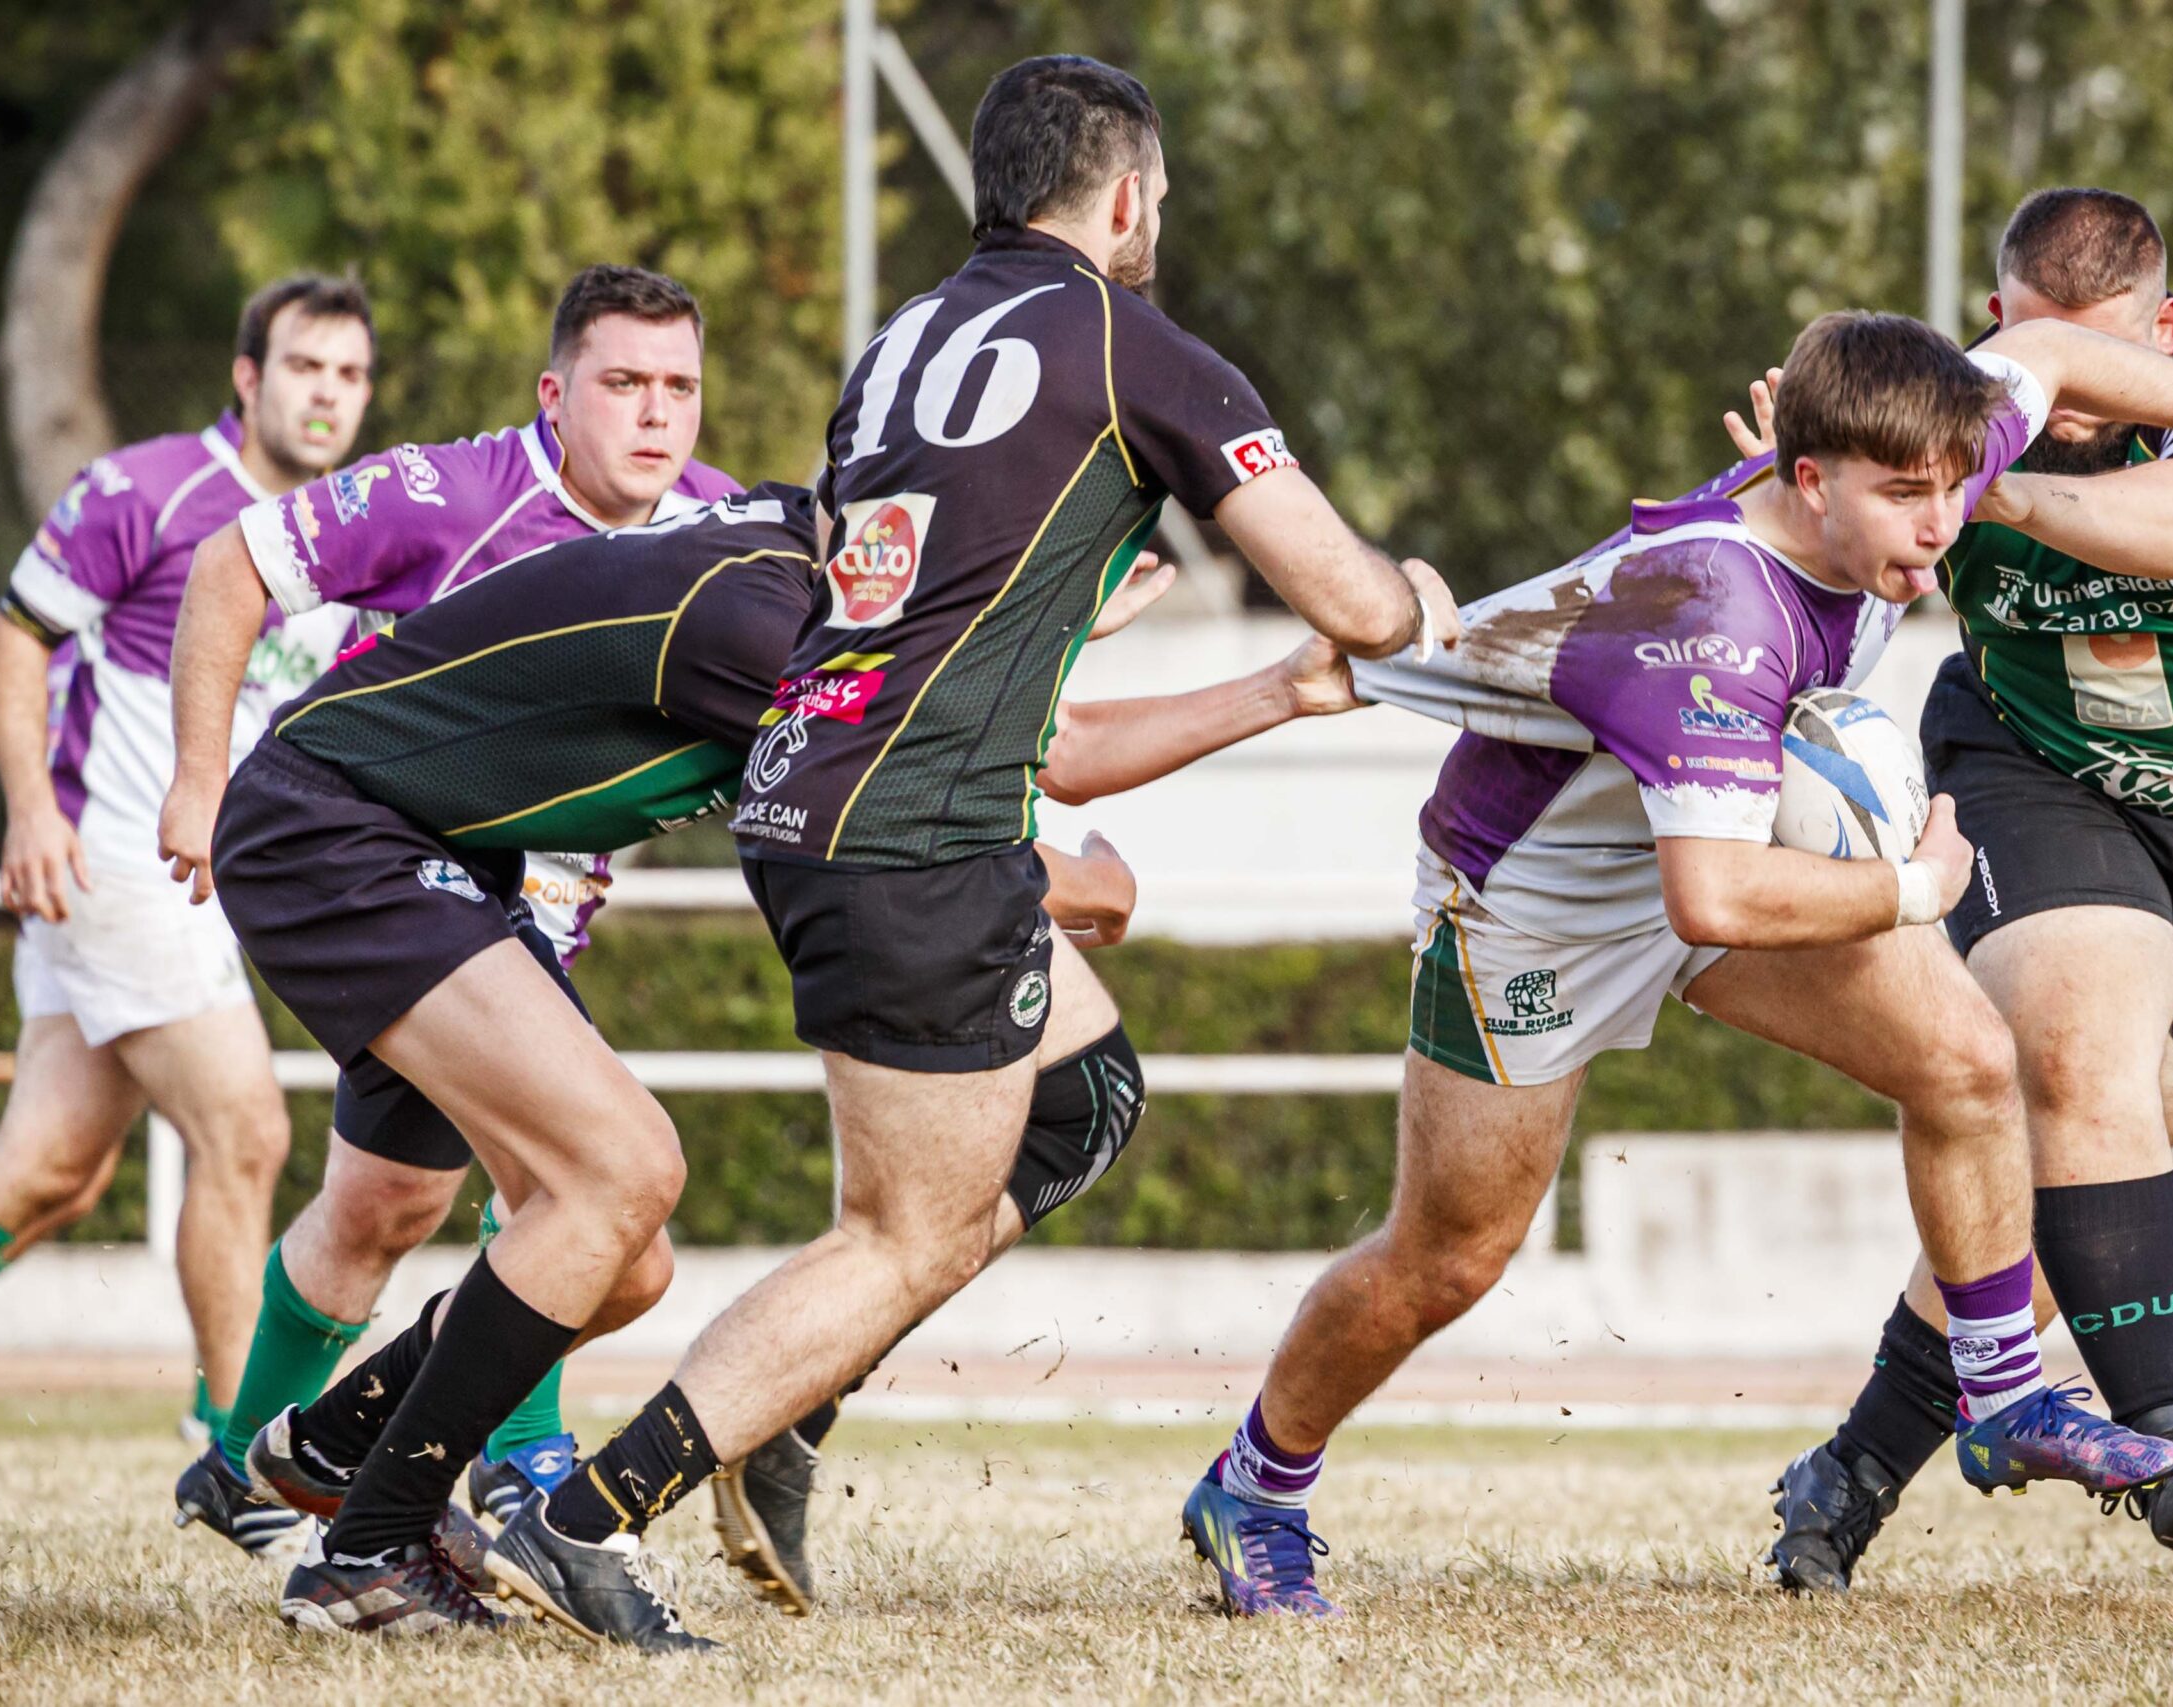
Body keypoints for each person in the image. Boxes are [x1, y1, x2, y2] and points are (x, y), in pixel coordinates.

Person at [482, 53, 1461, 1650]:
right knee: (904, 1233)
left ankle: (781, 1413)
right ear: (1131, 196)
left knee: (1085, 1097)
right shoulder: (1137, 346)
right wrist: (1412, 608)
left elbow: (919, 599)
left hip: (825, 796)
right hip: (916, 833)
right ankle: (584, 1514)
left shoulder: (893, 348)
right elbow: (1350, 598)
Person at [1174, 307, 2173, 1617]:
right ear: (1807, 480)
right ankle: (1255, 1485)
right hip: (1537, 895)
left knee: (1969, 1061)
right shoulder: (1718, 613)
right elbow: (1718, 894)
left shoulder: (1911, 467)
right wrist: (1917, 888)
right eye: (1905, 496)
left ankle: (2006, 1388)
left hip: (1701, 837)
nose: (1940, 524)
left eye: (1956, 488)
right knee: (1447, 1256)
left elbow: (2064, 351)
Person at [206, 484, 1367, 1639]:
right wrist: (1085, 874)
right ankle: (367, 1552)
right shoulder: (757, 621)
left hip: (419, 853)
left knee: (625, 1262)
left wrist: (1259, 681)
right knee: (619, 1175)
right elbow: (959, 802)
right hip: (337, 835)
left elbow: (994, 738)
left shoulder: (809, 581)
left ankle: (336, 1445)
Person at [1766, 188, 2173, 1591]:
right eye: (2045, 356)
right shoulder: (1931, 402)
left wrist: (1979, 483)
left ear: (2164, 333)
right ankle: (2161, 1429)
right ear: (1998, 328)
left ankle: (1847, 1470)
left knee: (2070, 1190)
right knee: (2074, 1051)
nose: (2074, 390)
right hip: (2043, 774)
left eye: (2104, 359)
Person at [159, 264, 741, 1554]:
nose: (656, 416)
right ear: (555, 393)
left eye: (681, 389)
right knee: (586, 1200)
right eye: (624, 385)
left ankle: (248, 1471)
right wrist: (199, 774)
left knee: (383, 1206)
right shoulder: (457, 492)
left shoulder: (718, 533)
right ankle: (512, 1466)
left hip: (507, 924)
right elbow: (230, 564)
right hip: (393, 889)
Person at [0, 277, 375, 1560]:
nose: (326, 392)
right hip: (107, 857)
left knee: (51, 1165)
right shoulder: (149, 490)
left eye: (348, 373)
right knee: (243, 1130)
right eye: (304, 366)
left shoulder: (346, 528)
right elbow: (15, 640)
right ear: (247, 376)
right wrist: (25, 812)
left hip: (190, 889)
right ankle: (239, 1454)